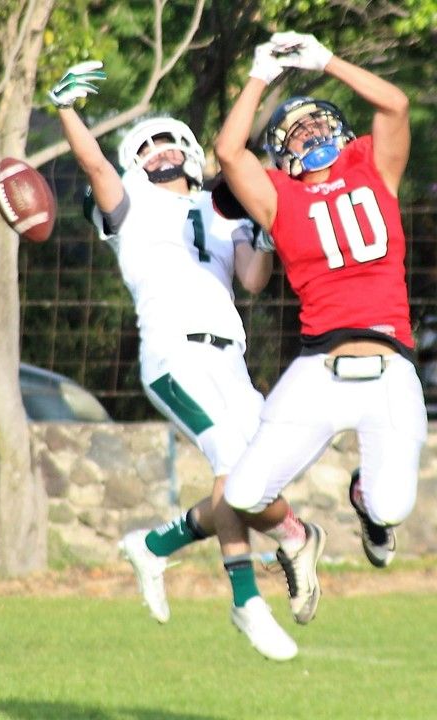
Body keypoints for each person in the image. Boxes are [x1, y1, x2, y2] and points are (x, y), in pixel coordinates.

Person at [48, 61, 326, 662]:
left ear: (191, 150)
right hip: (175, 354)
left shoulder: (225, 213)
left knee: (251, 484)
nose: (160, 153)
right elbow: (94, 164)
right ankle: (254, 591)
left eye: (170, 142)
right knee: (238, 475)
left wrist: (267, 227)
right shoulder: (131, 207)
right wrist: (67, 109)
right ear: (135, 164)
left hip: (232, 363)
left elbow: (253, 280)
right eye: (146, 150)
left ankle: (154, 546)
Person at [215, 34, 426, 576]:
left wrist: (327, 61)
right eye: (294, 130)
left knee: (391, 506)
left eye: (317, 121)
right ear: (282, 156)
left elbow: (396, 103)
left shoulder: (370, 166)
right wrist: (260, 72)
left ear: (341, 130)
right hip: (320, 365)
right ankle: (300, 538)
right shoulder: (277, 197)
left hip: (390, 359)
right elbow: (228, 152)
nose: (309, 131)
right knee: (242, 492)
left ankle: (366, 506)